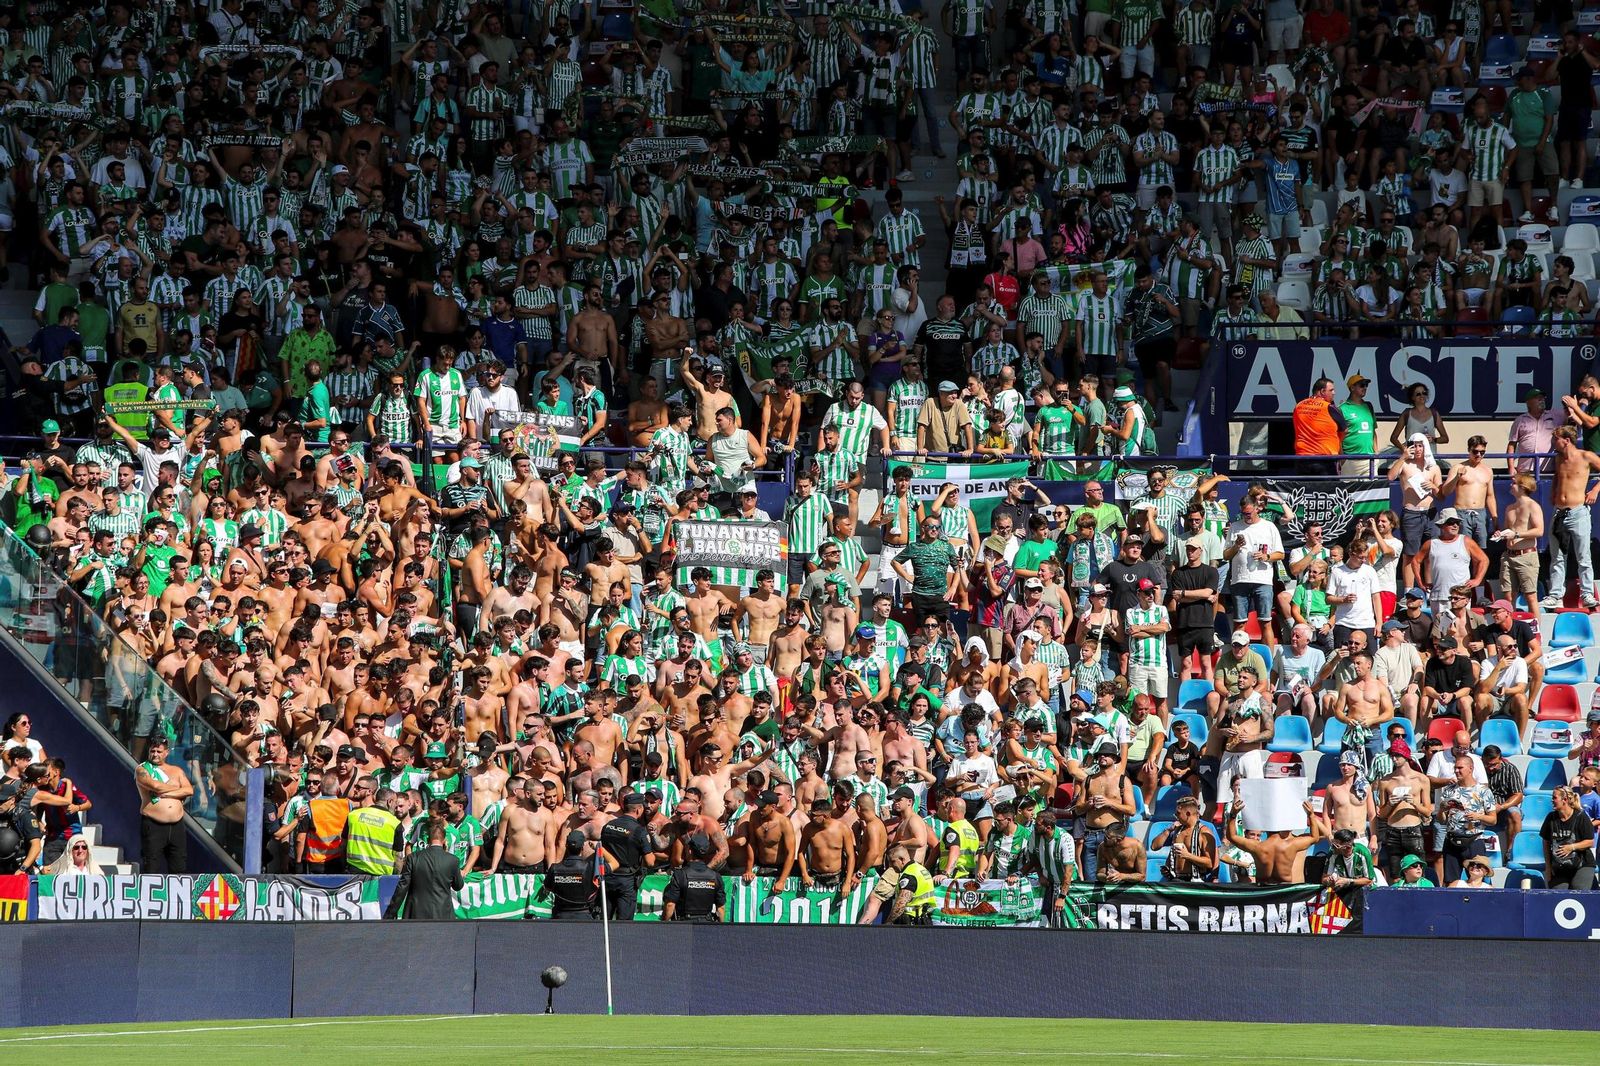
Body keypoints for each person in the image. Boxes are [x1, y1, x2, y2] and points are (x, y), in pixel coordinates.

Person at [383, 818, 463, 920]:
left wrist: (390, 913)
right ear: (444, 841)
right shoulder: (453, 860)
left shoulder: (413, 858)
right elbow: (458, 886)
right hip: (443, 914)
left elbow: (402, 887)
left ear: (428, 839)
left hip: (415, 913)